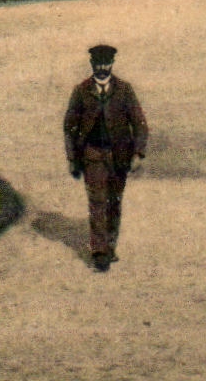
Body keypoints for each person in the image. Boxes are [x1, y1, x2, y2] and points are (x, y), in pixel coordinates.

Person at [62, 44, 148, 272]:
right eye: (98, 63)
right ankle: (99, 251)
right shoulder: (81, 91)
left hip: (119, 155)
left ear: (112, 63)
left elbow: (139, 123)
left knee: (114, 202)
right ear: (92, 64)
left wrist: (139, 152)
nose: (102, 68)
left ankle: (110, 245)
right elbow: (69, 127)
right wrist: (72, 158)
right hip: (92, 155)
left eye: (106, 63)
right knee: (97, 202)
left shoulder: (124, 90)